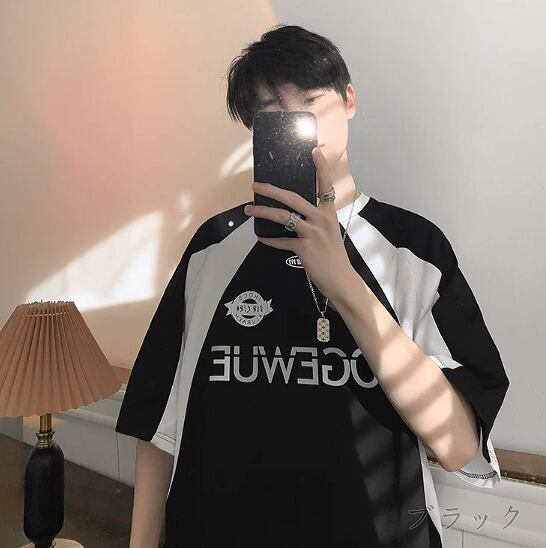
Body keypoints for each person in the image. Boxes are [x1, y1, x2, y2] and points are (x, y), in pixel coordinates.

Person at [115, 24, 509, 548]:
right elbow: (156, 422)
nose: (298, 123)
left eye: (311, 101)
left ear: (349, 100)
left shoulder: (413, 249)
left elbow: (458, 446)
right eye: (272, 111)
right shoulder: (214, 246)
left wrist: (342, 281)